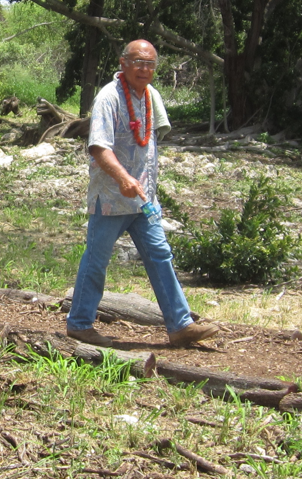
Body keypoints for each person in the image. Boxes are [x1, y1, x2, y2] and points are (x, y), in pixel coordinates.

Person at [66, 40, 219, 349]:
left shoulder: (151, 96)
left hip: (143, 198)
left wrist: (145, 185)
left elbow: (150, 140)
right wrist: (123, 178)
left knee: (160, 256)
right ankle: (80, 324)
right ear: (123, 63)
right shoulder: (108, 98)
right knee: (96, 260)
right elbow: (98, 146)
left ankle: (180, 324)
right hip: (110, 198)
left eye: (150, 64)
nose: (144, 69)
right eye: (138, 62)